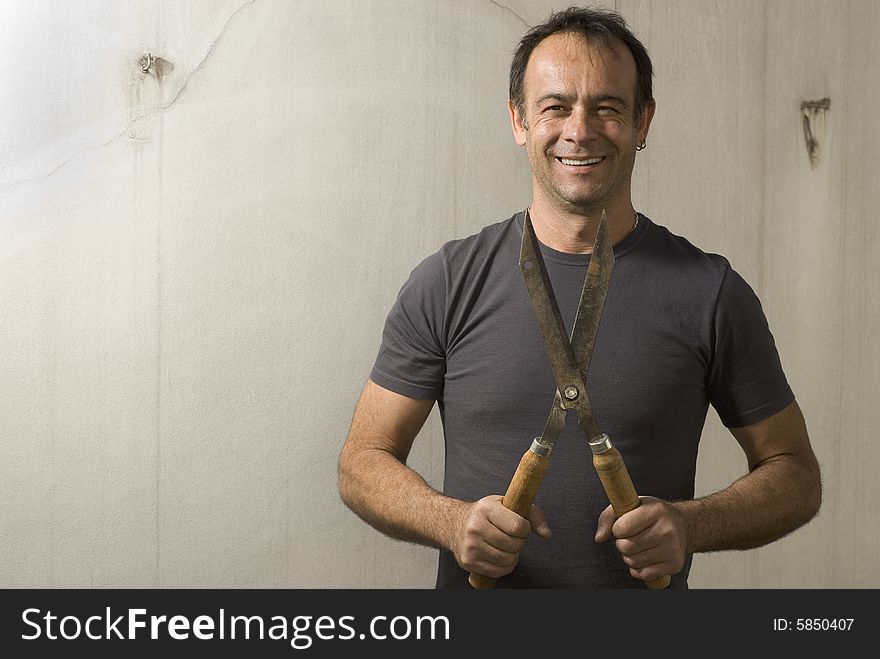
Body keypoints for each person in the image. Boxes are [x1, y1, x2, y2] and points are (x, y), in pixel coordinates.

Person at [338, 6, 821, 588]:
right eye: (555, 107)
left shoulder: (710, 292)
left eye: (608, 108)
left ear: (643, 123)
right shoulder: (447, 282)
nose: (580, 130)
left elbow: (795, 475)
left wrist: (691, 526)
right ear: (519, 121)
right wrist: (451, 521)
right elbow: (362, 462)